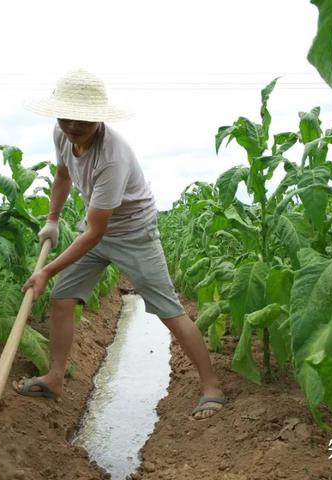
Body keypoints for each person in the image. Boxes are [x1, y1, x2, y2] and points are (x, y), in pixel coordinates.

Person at [12, 69, 225, 419]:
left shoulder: (113, 155)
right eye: (66, 116)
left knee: (168, 310)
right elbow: (63, 174)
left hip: (133, 234)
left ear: (99, 116)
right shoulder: (62, 133)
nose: (72, 125)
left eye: (82, 119)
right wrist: (52, 218)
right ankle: (54, 378)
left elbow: (96, 232)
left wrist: (47, 270)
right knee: (62, 299)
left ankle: (211, 385)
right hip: (94, 231)